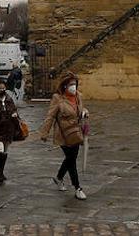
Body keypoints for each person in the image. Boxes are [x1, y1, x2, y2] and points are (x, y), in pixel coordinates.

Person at [41, 71, 90, 200]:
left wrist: (84, 112)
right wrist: (45, 132)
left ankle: (59, 178)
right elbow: (50, 116)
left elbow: (79, 111)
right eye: (70, 84)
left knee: (70, 158)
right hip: (63, 134)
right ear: (64, 86)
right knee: (71, 159)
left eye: (75, 84)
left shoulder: (79, 96)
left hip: (75, 133)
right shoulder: (57, 98)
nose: (73, 87)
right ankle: (77, 188)